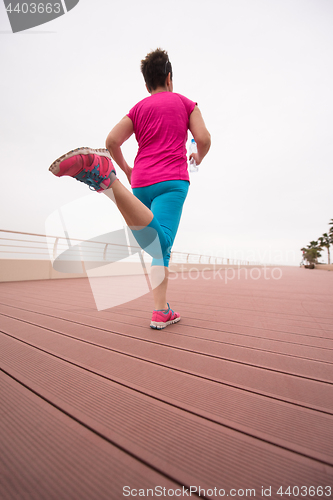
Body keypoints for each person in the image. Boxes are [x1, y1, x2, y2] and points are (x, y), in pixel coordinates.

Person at [49, 48, 211, 329]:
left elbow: (112, 140)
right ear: (169, 77)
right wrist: (198, 156)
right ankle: (108, 182)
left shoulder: (138, 109)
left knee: (159, 248)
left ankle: (161, 311)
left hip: (141, 183)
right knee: (162, 243)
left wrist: (128, 169)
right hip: (172, 182)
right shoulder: (186, 103)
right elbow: (204, 138)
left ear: (147, 84)